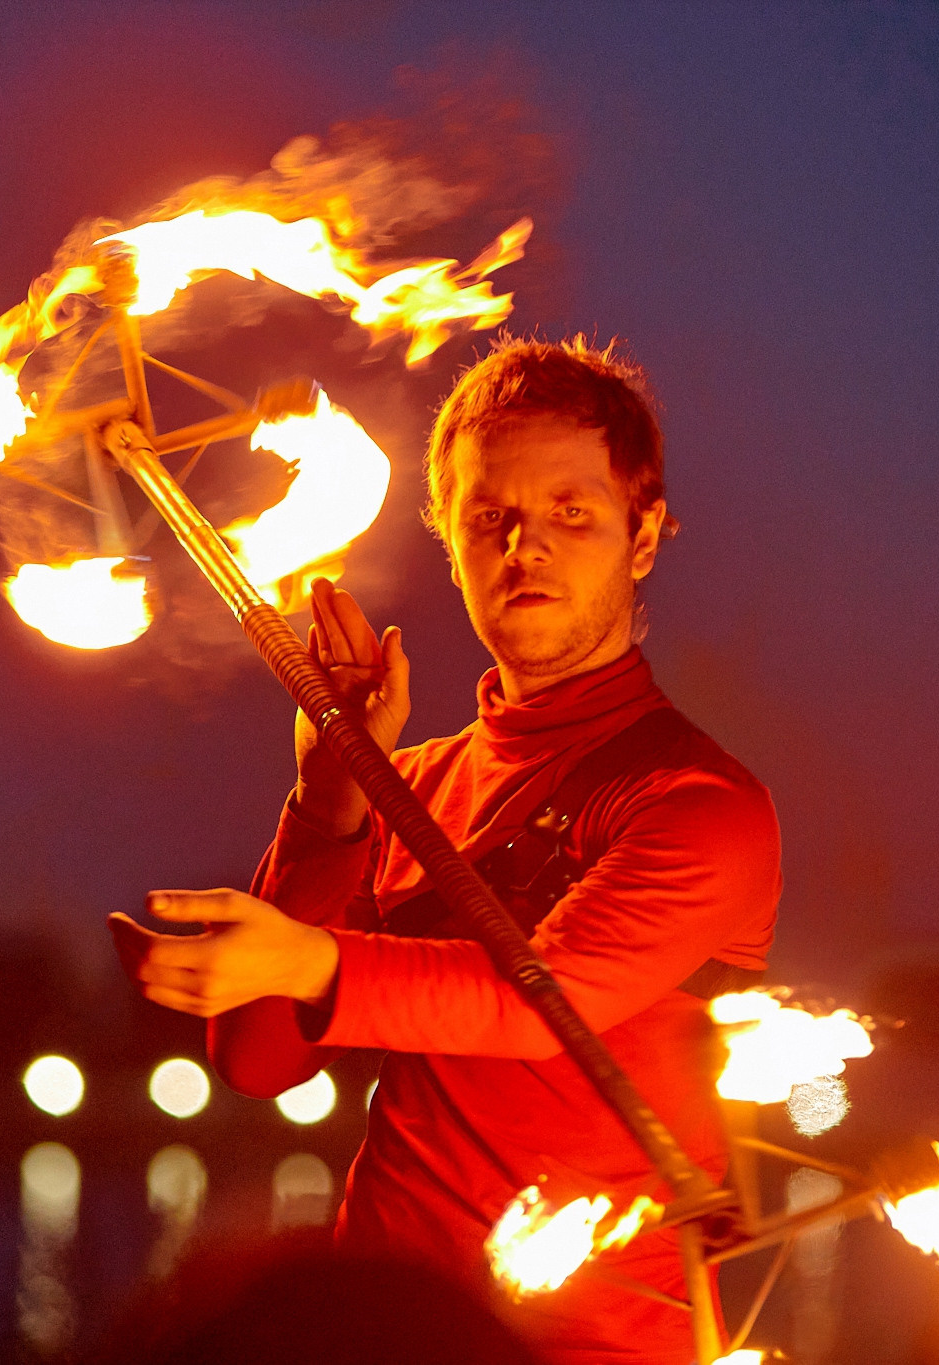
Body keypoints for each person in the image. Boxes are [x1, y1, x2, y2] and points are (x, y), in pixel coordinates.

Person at [112, 338, 781, 1364]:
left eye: (572, 511)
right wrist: (328, 795)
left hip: (594, 1347)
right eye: (489, 519)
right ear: (451, 542)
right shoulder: (407, 785)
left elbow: (536, 1001)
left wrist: (308, 961)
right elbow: (256, 1061)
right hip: (386, 1333)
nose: (527, 548)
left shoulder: (698, 807)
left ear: (642, 536)